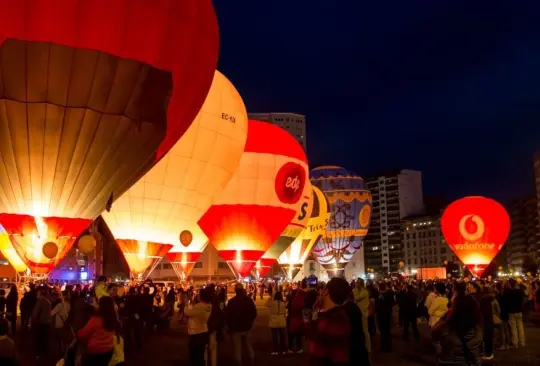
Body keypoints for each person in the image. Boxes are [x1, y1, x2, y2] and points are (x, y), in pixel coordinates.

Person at [305, 278, 351, 366]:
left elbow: (338, 355)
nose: (320, 292)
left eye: (322, 290)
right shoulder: (327, 315)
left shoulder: (337, 318)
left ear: (326, 292)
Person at [432, 291, 483, 366]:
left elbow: (434, 333)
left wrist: (446, 316)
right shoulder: (478, 328)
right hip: (471, 362)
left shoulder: (448, 329)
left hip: (450, 362)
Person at [77, 296, 120, 366]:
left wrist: (78, 333)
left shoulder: (96, 319)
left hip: (96, 352)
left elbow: (83, 334)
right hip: (109, 350)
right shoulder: (113, 318)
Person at [225, 283, 257, 366]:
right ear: (242, 290)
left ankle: (239, 362)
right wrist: (250, 323)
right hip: (247, 327)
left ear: (235, 291)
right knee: (248, 345)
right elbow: (254, 313)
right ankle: (252, 360)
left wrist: (229, 326)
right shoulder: (249, 301)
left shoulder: (231, 302)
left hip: (236, 329)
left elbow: (227, 315)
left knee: (237, 348)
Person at [185, 287, 212, 366]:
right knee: (200, 354)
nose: (198, 295)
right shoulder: (208, 305)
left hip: (196, 333)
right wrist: (190, 298)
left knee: (195, 355)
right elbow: (197, 307)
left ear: (202, 296)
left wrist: (186, 303)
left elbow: (187, 312)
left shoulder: (200, 307)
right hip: (203, 331)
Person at [479, 285, 499, 360]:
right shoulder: (493, 299)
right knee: (489, 337)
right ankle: (489, 353)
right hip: (489, 320)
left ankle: (488, 354)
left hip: (485, 320)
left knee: (485, 337)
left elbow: (482, 311)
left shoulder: (483, 300)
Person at [504, 278, 525, 348]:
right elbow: (522, 301)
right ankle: (522, 342)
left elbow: (506, 303)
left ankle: (515, 342)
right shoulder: (520, 292)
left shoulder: (508, 292)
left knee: (513, 328)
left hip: (511, 311)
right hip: (519, 311)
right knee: (520, 326)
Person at [266, 290, 287, 355]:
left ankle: (275, 351)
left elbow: (266, 304)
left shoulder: (272, 303)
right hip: (281, 320)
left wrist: (270, 297)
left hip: (274, 320)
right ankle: (283, 350)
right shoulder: (283, 303)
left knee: (274, 337)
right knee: (282, 336)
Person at [32, 288, 52, 359]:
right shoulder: (48, 301)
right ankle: (45, 353)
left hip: (40, 322)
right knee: (45, 339)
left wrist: (34, 319)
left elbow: (35, 312)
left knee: (38, 339)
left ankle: (38, 354)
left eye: (37, 294)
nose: (36, 295)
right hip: (47, 322)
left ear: (40, 294)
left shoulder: (40, 301)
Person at [352, 279, 371, 352]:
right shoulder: (363, 291)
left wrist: (355, 290)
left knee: (365, 330)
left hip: (363, 313)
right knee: (362, 330)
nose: (355, 284)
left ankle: (368, 347)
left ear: (360, 284)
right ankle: (364, 346)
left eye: (357, 283)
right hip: (361, 312)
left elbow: (356, 298)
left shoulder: (364, 292)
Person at [375, 282, 394, 352]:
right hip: (388, 315)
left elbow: (378, 307)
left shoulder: (381, 296)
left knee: (383, 332)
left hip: (382, 316)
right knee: (387, 331)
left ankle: (384, 347)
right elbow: (392, 303)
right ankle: (388, 346)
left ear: (379, 288)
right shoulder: (389, 294)